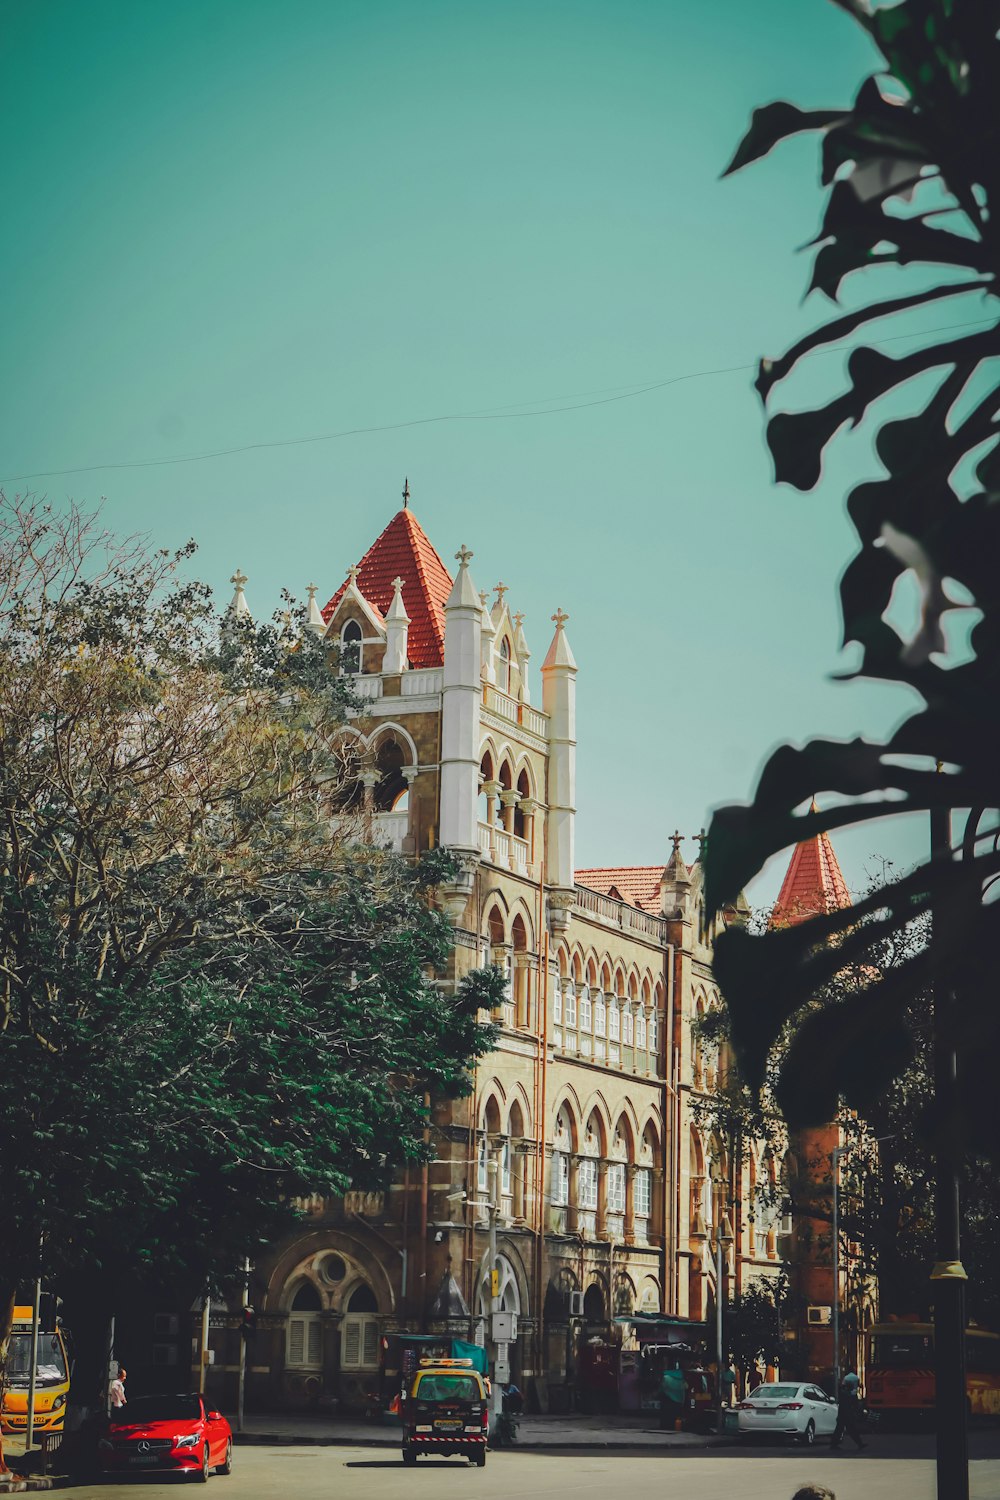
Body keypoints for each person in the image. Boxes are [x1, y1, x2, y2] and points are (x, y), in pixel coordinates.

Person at [831, 1369, 866, 1450]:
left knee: (839, 1430)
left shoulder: (843, 1393)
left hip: (842, 1415)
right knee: (851, 1430)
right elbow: (855, 1405)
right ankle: (859, 1444)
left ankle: (834, 1444)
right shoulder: (850, 1396)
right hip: (847, 1416)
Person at [659, 1363, 687, 1430]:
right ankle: (675, 1427)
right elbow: (686, 1387)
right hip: (679, 1400)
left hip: (668, 1399)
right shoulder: (682, 1379)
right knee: (676, 1416)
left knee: (667, 1415)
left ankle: (665, 1427)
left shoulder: (666, 1378)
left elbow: (662, 1388)